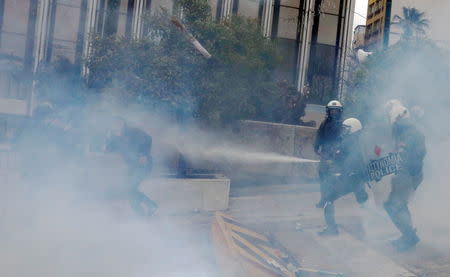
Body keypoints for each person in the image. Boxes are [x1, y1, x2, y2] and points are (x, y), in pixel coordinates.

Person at [383, 101, 426, 251]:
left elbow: (414, 155)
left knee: (393, 205)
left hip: (408, 175)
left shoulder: (411, 133)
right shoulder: (406, 131)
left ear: (399, 119)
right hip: (405, 174)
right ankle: (408, 235)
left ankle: (409, 237)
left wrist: (405, 173)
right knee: (398, 205)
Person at [318, 118, 369, 236]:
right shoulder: (358, 141)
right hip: (358, 179)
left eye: (347, 129)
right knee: (364, 202)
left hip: (350, 179)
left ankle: (332, 230)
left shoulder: (348, 142)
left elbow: (343, 159)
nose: (344, 131)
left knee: (328, 200)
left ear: (354, 129)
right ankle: (384, 218)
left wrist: (332, 162)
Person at [105, 118, 158, 217]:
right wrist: (108, 139)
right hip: (132, 166)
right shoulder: (113, 137)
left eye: (117, 123)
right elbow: (108, 150)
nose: (115, 126)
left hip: (143, 164)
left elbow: (148, 138)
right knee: (129, 189)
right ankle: (144, 210)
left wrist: (144, 154)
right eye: (113, 124)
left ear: (122, 123)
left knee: (130, 189)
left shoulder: (133, 132)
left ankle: (147, 208)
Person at [314, 100, 344, 209]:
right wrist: (316, 147)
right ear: (328, 111)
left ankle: (330, 200)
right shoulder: (324, 123)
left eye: (336, 111)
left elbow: (344, 139)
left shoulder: (343, 124)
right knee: (323, 176)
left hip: (337, 155)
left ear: (339, 111)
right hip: (326, 154)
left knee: (333, 178)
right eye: (332, 111)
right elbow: (319, 135)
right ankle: (323, 199)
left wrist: (340, 151)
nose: (334, 113)